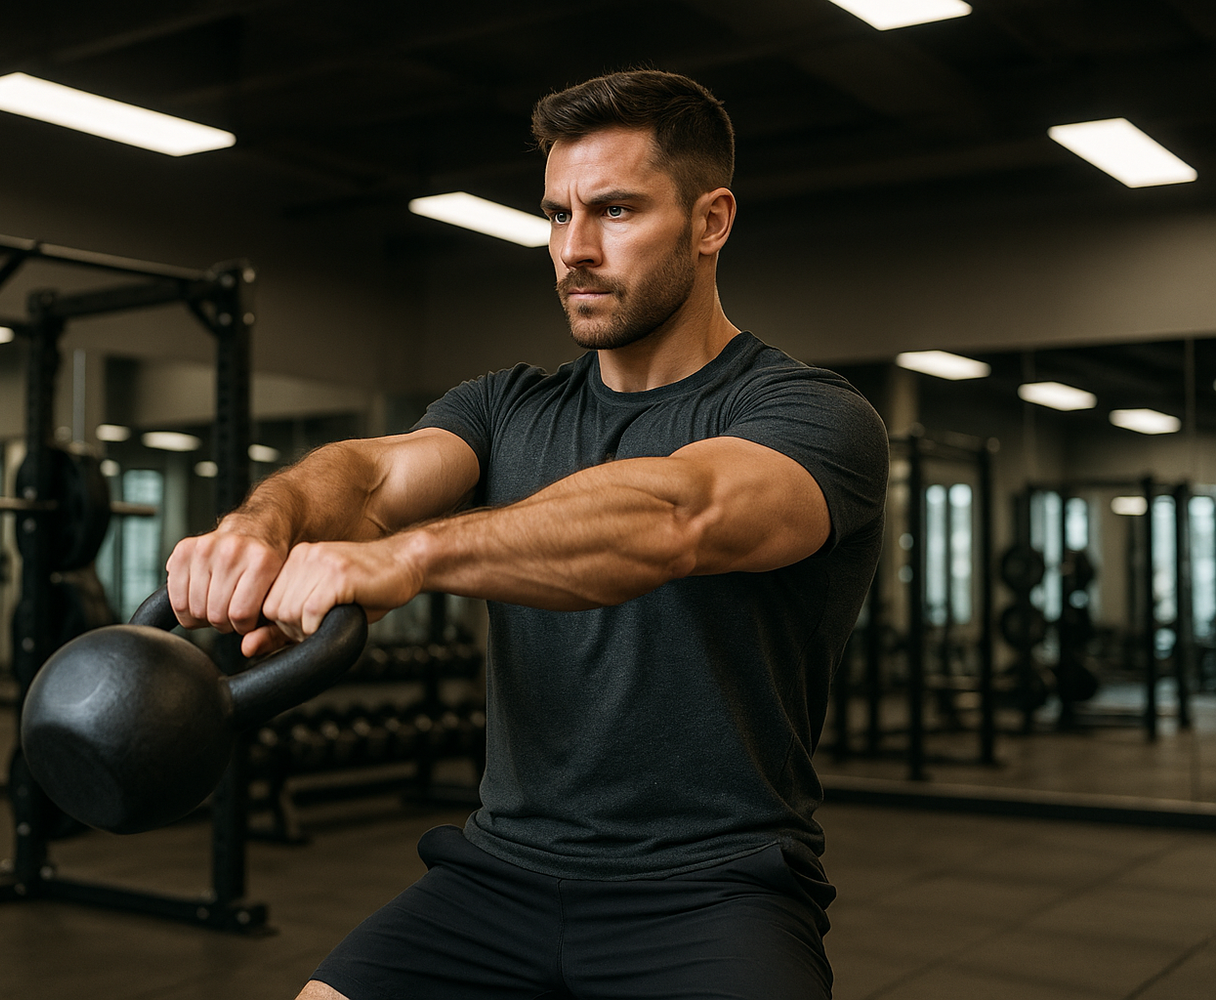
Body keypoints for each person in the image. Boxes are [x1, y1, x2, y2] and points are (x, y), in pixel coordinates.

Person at [166, 69, 888, 1000]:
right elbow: (372, 474)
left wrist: (413, 555)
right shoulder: (506, 408)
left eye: (616, 211)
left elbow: (677, 517)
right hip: (496, 878)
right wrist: (260, 527)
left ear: (711, 222)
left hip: (711, 890)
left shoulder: (807, 414)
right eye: (555, 215)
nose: (573, 250)